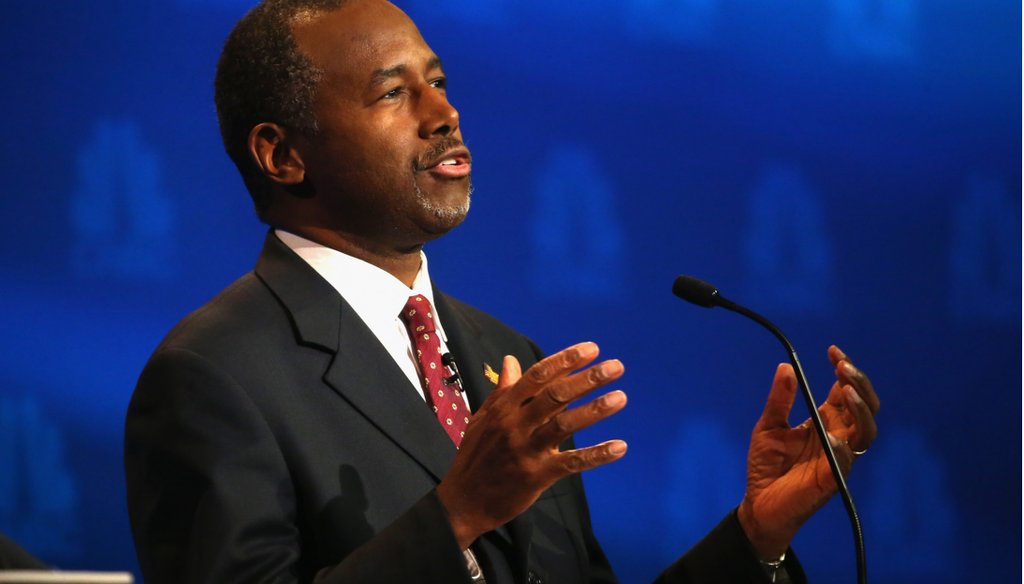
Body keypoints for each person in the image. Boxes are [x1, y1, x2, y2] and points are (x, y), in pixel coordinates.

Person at [124, 1, 881, 582]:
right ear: (283, 154)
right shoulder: (213, 376)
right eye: (394, 94)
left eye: (440, 83)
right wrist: (456, 515)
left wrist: (756, 537)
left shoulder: (503, 354)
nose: (444, 115)